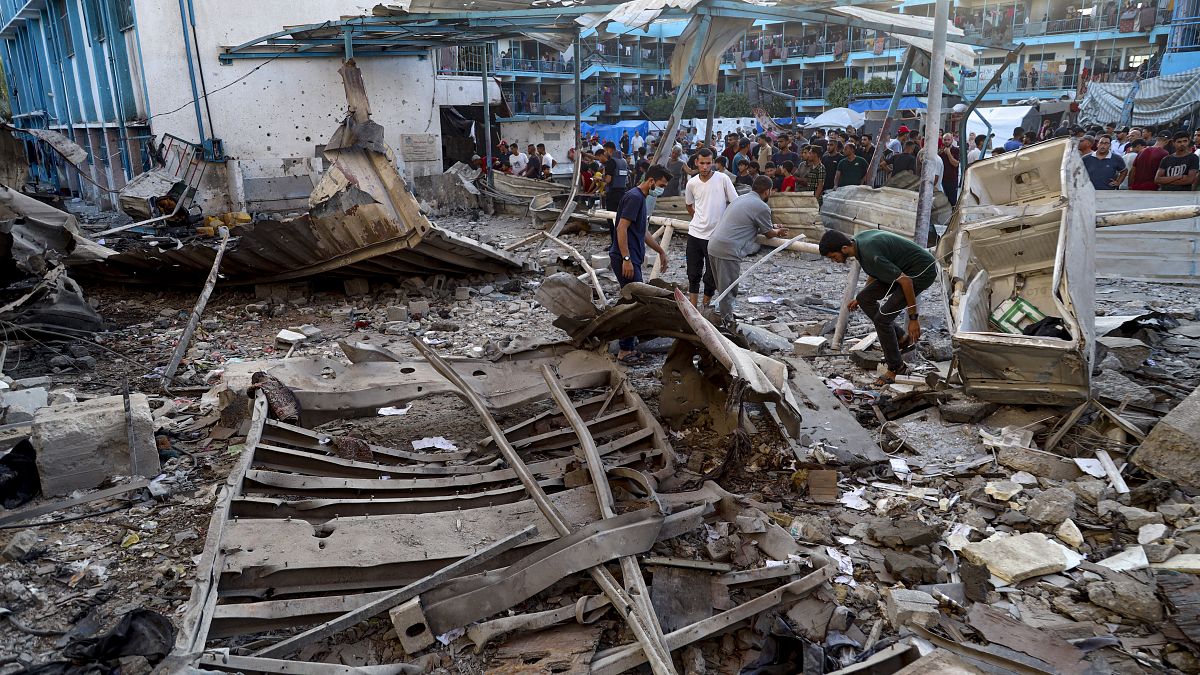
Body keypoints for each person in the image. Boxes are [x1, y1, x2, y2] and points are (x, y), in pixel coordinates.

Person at [819, 229, 937, 385]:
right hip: (902, 269)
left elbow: (906, 282)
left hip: (921, 271)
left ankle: (896, 368)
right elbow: (875, 270)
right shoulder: (857, 244)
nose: (834, 260)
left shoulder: (869, 252)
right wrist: (863, 295)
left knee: (882, 320)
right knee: (863, 298)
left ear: (843, 249)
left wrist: (913, 318)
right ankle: (901, 338)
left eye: (833, 257)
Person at [610, 165, 672, 363]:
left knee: (634, 300)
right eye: (661, 185)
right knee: (634, 302)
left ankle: (629, 344)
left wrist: (660, 251)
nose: (661, 189)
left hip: (632, 256)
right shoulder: (635, 197)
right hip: (625, 258)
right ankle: (625, 350)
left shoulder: (641, 198)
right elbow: (621, 228)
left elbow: (642, 231)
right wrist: (626, 258)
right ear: (651, 181)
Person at [706, 175, 790, 318]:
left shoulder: (740, 199)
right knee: (728, 290)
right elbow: (769, 233)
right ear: (767, 191)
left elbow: (750, 223)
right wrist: (778, 231)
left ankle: (723, 317)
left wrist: (773, 227)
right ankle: (727, 324)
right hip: (728, 250)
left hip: (714, 245)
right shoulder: (762, 206)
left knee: (722, 288)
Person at [683, 148, 740, 308]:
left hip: (715, 236)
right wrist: (699, 219)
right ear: (696, 162)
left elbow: (734, 202)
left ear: (713, 162)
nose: (705, 167)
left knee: (711, 275)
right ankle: (693, 308)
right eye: (702, 163)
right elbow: (689, 205)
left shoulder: (723, 179)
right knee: (693, 273)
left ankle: (705, 306)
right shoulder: (692, 183)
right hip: (695, 234)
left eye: (708, 163)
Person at [601, 141, 629, 213]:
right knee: (619, 214)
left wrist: (602, 178)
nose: (604, 153)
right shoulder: (624, 161)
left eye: (605, 151)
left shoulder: (611, 162)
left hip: (612, 193)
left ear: (609, 150)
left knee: (611, 215)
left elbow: (608, 180)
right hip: (623, 192)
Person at [940, 134, 961, 205]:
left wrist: (949, 154)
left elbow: (956, 164)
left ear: (952, 140)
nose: (946, 141)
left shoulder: (956, 150)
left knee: (952, 201)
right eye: (945, 140)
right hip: (941, 180)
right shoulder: (940, 151)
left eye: (948, 140)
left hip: (951, 180)